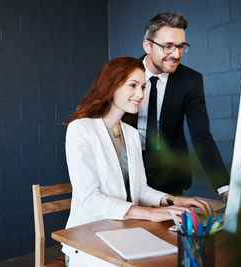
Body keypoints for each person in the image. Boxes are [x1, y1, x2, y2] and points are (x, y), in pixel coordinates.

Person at [63, 56, 214, 267]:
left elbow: (141, 189)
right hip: (89, 239)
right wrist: (150, 213)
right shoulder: (81, 129)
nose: (140, 94)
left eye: (143, 87)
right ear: (111, 86)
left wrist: (173, 200)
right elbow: (89, 198)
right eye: (132, 85)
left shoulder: (132, 134)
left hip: (125, 232)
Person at [125, 12, 230, 197]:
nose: (176, 54)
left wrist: (225, 188)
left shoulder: (191, 80)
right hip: (128, 170)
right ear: (147, 45)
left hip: (170, 177)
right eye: (168, 46)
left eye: (181, 47)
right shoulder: (123, 73)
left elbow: (202, 136)